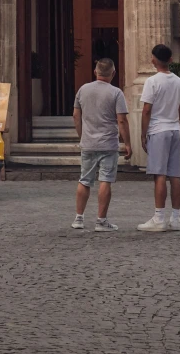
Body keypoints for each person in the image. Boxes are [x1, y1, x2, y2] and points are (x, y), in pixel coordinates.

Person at [71, 58, 132, 232]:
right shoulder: (116, 93)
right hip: (108, 143)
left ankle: (79, 218)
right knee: (105, 180)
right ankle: (101, 221)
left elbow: (76, 115)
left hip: (88, 142)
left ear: (95, 72)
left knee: (84, 180)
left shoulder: (83, 90)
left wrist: (82, 135)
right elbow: (122, 120)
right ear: (113, 73)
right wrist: (127, 143)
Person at [137, 44, 180, 233]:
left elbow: (147, 110)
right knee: (175, 175)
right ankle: (175, 218)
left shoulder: (152, 81)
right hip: (174, 128)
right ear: (170, 60)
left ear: (153, 60)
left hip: (158, 129)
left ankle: (159, 217)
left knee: (159, 174)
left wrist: (143, 134)